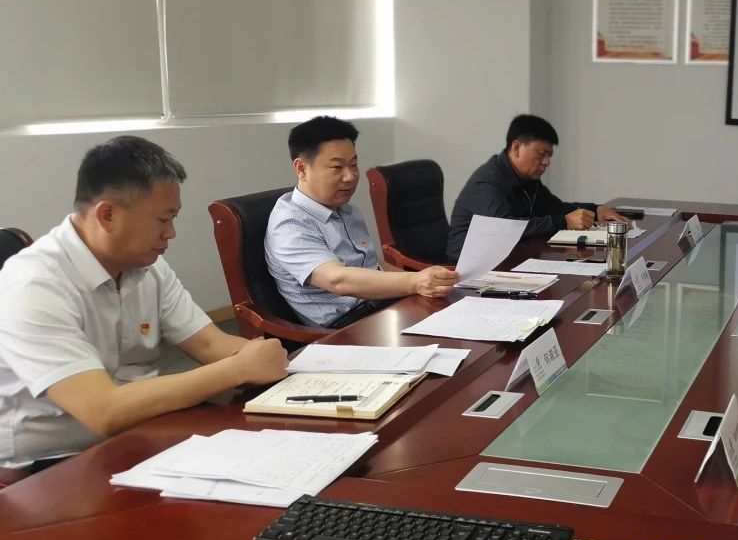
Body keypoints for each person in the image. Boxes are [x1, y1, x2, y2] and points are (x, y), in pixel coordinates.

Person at [0, 136, 288, 471]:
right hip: (49, 461)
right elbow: (102, 410)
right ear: (107, 214)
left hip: (142, 427)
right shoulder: (33, 284)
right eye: (163, 220)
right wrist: (237, 369)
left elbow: (210, 344)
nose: (172, 233)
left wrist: (272, 363)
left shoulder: (148, 267)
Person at [265, 116, 458, 328]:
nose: (350, 176)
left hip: (380, 308)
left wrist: (427, 280)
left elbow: (373, 265)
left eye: (354, 164)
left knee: (459, 311)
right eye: (337, 167)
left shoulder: (348, 211)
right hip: (343, 328)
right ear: (302, 168)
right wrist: (415, 282)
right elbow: (337, 279)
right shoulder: (290, 224)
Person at [447, 114, 630, 262]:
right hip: (465, 267)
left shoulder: (526, 179)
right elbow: (506, 229)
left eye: (549, 156)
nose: (546, 162)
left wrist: (595, 210)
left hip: (507, 258)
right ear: (516, 147)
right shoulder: (488, 182)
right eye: (541, 154)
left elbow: (554, 207)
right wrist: (563, 222)